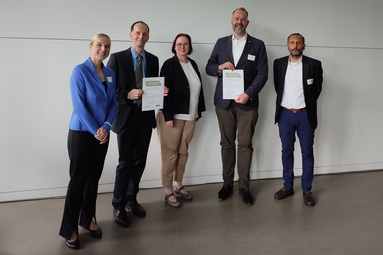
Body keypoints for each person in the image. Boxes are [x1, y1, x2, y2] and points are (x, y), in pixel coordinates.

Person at [205, 7, 268, 206]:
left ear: (247, 23)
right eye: (236, 18)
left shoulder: (257, 45)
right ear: (231, 21)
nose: (239, 21)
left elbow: (263, 73)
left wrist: (248, 93)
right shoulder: (221, 43)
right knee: (226, 144)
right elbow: (208, 67)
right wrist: (219, 67)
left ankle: (244, 186)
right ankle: (227, 184)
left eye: (243, 19)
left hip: (247, 103)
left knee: (245, 144)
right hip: (224, 103)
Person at [59, 33, 116, 250]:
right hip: (82, 133)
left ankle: (87, 218)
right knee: (78, 182)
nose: (103, 49)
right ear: (90, 46)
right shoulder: (79, 71)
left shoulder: (110, 73)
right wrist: (97, 130)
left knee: (93, 179)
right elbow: (79, 106)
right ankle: (69, 228)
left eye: (107, 46)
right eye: (99, 45)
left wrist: (107, 127)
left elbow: (112, 104)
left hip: (102, 133)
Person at [107, 21, 165, 227]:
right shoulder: (117, 58)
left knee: (140, 161)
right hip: (125, 118)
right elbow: (107, 89)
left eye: (145, 34)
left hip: (145, 116)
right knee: (125, 163)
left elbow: (153, 86)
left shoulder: (153, 59)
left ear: (148, 37)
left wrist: (162, 90)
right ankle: (118, 204)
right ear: (131, 35)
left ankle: (131, 198)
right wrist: (127, 94)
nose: (141, 36)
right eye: (137, 33)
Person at [273, 33, 323, 206]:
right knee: (286, 151)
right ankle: (287, 186)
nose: (295, 45)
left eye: (298, 42)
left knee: (307, 152)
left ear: (304, 46)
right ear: (287, 45)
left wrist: (304, 106)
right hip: (285, 114)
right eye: (292, 42)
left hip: (305, 115)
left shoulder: (314, 65)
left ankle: (307, 190)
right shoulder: (278, 64)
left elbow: (316, 90)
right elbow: (277, 87)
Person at [157, 33, 206, 208]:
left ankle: (178, 184)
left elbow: (198, 89)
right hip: (173, 117)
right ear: (174, 46)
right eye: (179, 44)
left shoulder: (192, 64)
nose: (182, 47)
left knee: (183, 153)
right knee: (170, 154)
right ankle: (168, 190)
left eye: (185, 44)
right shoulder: (168, 65)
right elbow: (164, 91)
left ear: (189, 46)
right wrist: (167, 116)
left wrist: (198, 111)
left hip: (190, 116)